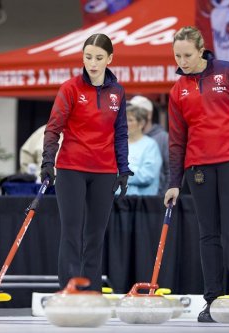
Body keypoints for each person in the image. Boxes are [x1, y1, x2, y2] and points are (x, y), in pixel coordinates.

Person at [164, 26, 229, 322]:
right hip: (198, 166)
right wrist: (173, 182)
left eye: (187, 54)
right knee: (208, 233)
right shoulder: (177, 90)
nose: (182, 61)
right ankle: (211, 300)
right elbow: (177, 140)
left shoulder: (228, 73)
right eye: (177, 55)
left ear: (201, 50)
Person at [40, 33, 132, 292]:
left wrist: (123, 169)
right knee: (71, 233)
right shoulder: (70, 88)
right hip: (72, 169)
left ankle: (90, 291)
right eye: (88, 57)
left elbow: (121, 132)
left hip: (104, 171)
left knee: (95, 235)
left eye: (99, 58)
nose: (92, 63)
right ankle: (69, 290)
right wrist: (49, 161)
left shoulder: (117, 92)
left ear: (110, 59)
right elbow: (53, 128)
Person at [128, 95, 169, 195]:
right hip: (122, 201)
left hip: (148, 201)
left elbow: (170, 171)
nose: (126, 123)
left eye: (130, 119)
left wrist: (163, 197)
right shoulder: (121, 141)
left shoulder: (161, 138)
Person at [117, 104, 161, 196]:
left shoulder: (150, 145)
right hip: (116, 200)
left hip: (140, 202)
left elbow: (148, 175)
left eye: (130, 120)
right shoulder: (117, 144)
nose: (125, 123)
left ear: (141, 124)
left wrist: (120, 173)